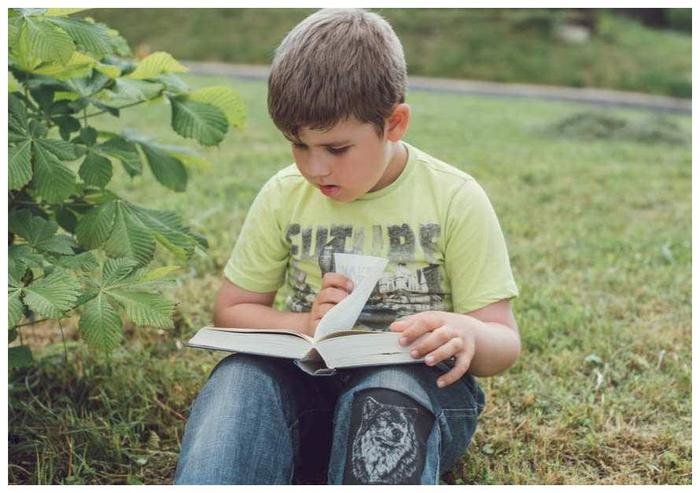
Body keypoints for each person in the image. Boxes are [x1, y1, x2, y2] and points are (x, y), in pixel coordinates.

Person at [174, 8, 520, 485]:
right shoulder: (283, 195)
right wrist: (302, 323)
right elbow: (233, 309)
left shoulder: (454, 197)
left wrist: (467, 332)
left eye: (336, 149)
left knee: (387, 391)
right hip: (303, 390)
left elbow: (504, 342)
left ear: (394, 123)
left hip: (419, 392)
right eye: (298, 145)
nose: (316, 169)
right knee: (239, 380)